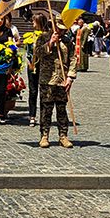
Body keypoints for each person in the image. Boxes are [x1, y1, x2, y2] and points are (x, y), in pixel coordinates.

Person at [31, 14, 77, 148]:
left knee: (62, 109)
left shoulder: (68, 41)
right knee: (46, 109)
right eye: (59, 28)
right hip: (47, 79)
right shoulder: (43, 38)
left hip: (62, 80)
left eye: (63, 29)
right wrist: (50, 43)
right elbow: (37, 54)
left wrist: (70, 77)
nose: (62, 31)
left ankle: (63, 136)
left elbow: (73, 58)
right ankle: (44, 135)